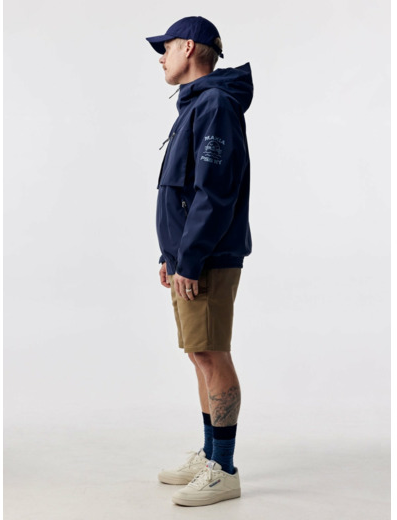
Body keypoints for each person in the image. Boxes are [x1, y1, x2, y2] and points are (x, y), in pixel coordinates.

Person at [146, 16, 253, 507]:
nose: (161, 58)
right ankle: (211, 453)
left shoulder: (214, 104)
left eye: (166, 48)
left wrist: (188, 259)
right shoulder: (197, 104)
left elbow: (214, 193)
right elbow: (185, 190)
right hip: (190, 257)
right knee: (199, 353)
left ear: (189, 47)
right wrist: (171, 254)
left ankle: (223, 469)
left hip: (205, 257)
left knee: (212, 353)